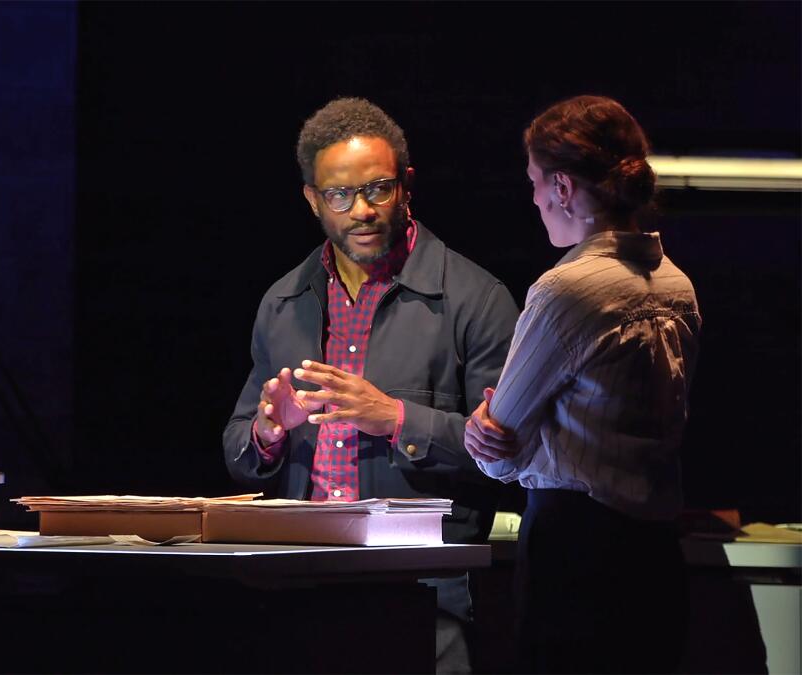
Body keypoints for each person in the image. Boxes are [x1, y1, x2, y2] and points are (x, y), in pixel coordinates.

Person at [223, 97, 519, 672]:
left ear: (407, 185)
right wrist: (266, 431)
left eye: (377, 189)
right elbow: (239, 451)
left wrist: (395, 419)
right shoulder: (283, 302)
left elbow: (514, 455)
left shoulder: (476, 300)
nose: (360, 210)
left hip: (424, 594)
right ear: (312, 199)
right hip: (302, 587)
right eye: (338, 195)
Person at [464, 95, 700, 673]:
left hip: (575, 551)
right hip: (656, 552)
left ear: (564, 188)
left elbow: (500, 446)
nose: (536, 199)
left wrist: (490, 432)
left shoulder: (567, 291)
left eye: (536, 183)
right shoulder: (678, 285)